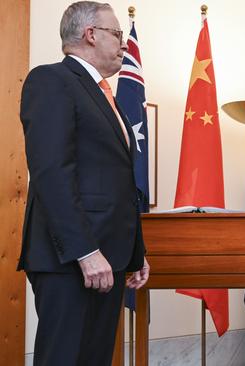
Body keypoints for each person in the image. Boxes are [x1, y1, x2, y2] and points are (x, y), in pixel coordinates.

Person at [18, 2, 150, 365]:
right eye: (117, 34)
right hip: (71, 260)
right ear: (91, 34)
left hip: (109, 260)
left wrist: (135, 252)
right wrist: (85, 252)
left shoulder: (107, 97)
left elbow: (117, 181)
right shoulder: (51, 81)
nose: (124, 44)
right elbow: (51, 174)